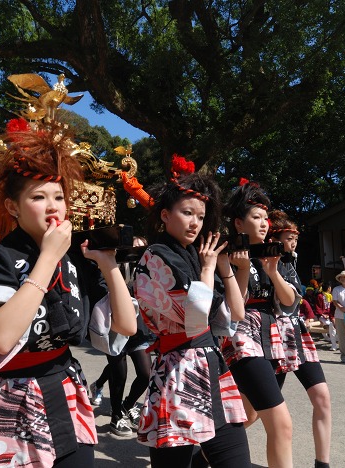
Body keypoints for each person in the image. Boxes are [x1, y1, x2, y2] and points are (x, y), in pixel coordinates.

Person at [0, 119, 137, 467]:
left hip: (66, 384)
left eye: (59, 197)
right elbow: (2, 339)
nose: (53, 206)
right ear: (12, 207)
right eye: (38, 197)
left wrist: (109, 265)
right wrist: (49, 256)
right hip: (10, 394)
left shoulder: (75, 261)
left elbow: (125, 327)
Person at [132, 156, 249, 467]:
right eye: (187, 213)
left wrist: (226, 268)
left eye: (201, 216)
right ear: (165, 215)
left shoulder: (198, 256)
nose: (195, 222)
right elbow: (194, 319)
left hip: (211, 363)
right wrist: (209, 268)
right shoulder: (154, 257)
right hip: (176, 371)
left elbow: (237, 313)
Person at [220, 180, 297, 468]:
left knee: (248, 414)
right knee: (281, 422)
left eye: (265, 218)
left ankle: (203, 455)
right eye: (256, 218)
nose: (264, 224)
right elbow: (234, 308)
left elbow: (290, 302)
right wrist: (240, 269)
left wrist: (274, 271)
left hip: (274, 335)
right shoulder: (225, 253)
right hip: (241, 337)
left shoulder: (275, 252)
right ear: (239, 222)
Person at [268, 209, 331, 468]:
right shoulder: (266, 261)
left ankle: (322, 464)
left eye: (295, 237)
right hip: (272, 337)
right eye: (288, 236)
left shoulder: (292, 261)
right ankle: (208, 451)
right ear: (275, 237)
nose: (293, 242)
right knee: (254, 411)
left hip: (297, 333)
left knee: (322, 398)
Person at [88, 236, 153, 436]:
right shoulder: (108, 263)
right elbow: (99, 287)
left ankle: (127, 405)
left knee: (145, 374)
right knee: (120, 372)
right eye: (134, 248)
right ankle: (116, 416)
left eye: (142, 249)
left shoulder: (147, 268)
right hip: (115, 323)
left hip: (139, 327)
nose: (137, 252)